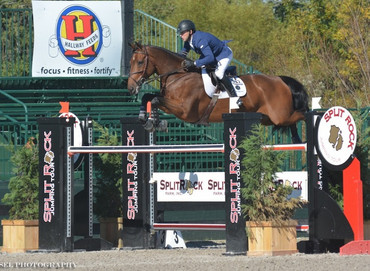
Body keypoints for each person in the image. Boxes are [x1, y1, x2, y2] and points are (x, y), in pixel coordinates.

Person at [177, 19, 243, 107]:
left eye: (182, 33)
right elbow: (182, 54)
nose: (181, 35)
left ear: (190, 31)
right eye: (180, 33)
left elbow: (210, 58)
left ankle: (235, 97)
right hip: (212, 55)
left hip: (223, 54)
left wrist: (195, 63)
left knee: (219, 73)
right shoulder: (188, 41)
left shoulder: (200, 39)